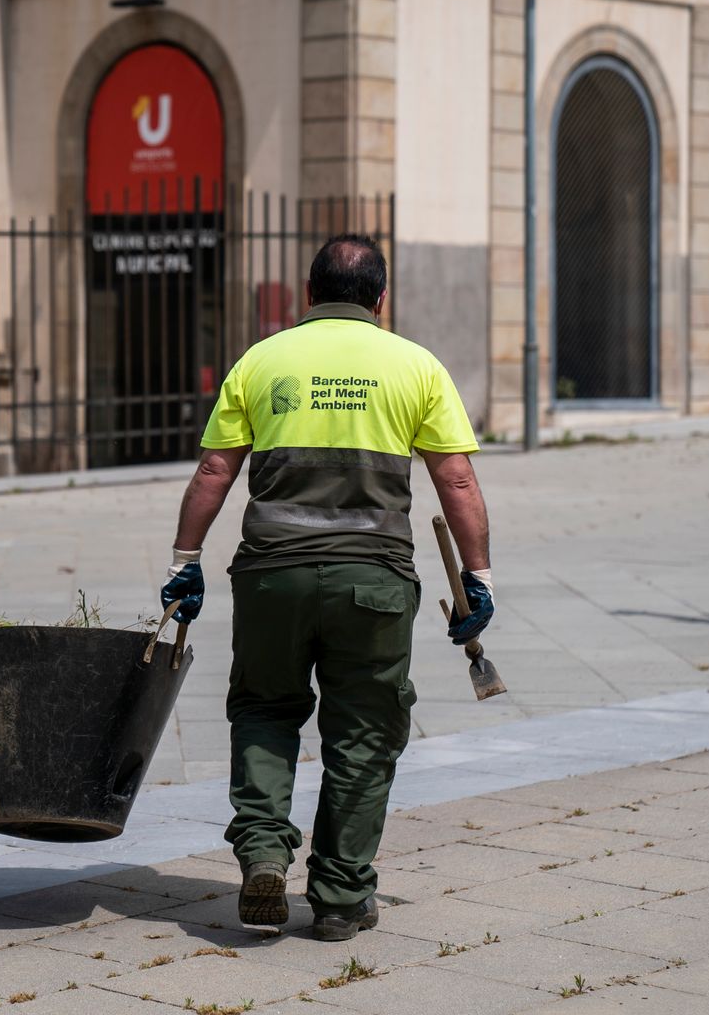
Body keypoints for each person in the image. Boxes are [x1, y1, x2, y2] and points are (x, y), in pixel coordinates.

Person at [160, 234, 492, 942]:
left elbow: (213, 473)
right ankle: (340, 897)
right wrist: (477, 578)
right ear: (380, 297)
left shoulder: (261, 359)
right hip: (372, 582)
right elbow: (455, 479)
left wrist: (184, 561)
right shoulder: (414, 366)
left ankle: (261, 855)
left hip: (270, 575)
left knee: (263, 709)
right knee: (363, 733)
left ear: (307, 294)